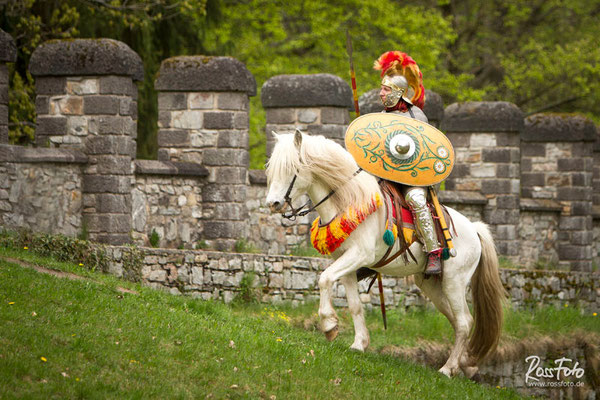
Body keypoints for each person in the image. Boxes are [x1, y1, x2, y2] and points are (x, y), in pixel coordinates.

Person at [374, 50, 442, 275]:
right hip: (384, 174)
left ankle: (433, 252)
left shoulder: (417, 117)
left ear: (398, 93)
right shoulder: (381, 117)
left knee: (415, 199)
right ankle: (370, 253)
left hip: (413, 175)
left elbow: (426, 151)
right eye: (382, 89)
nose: (381, 94)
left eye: (385, 89)